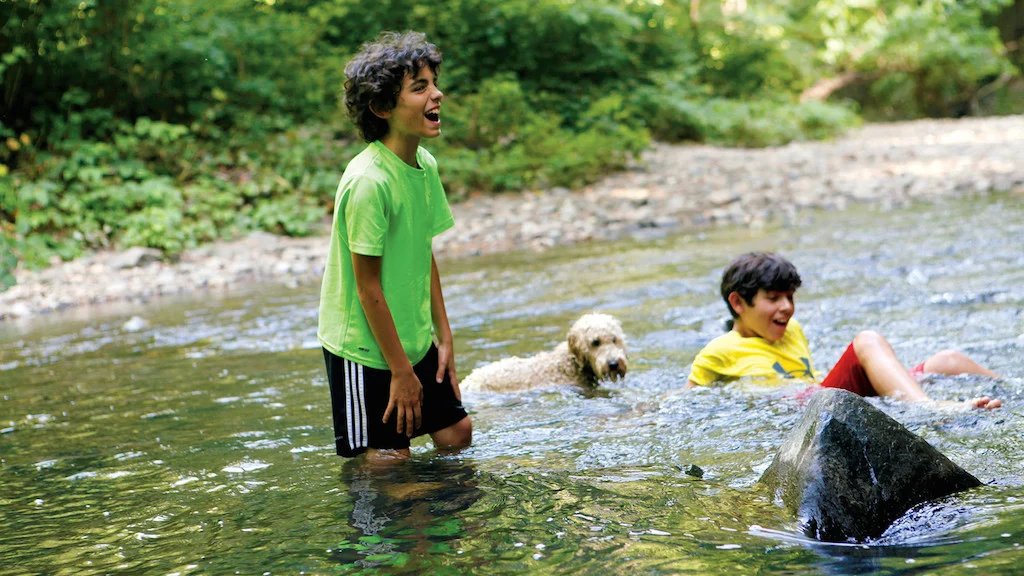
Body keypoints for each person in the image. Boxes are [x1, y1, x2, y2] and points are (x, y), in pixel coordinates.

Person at [317, 31, 472, 461]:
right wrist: (401, 373)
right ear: (383, 107)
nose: (437, 94)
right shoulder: (369, 181)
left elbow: (425, 255)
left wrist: (445, 337)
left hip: (413, 337)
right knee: (389, 464)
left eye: (434, 83)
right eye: (420, 88)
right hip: (362, 349)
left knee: (457, 434)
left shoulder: (425, 164)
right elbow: (367, 288)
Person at [687, 252, 1002, 409]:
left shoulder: (791, 329)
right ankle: (928, 409)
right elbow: (684, 400)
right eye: (773, 298)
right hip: (807, 410)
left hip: (825, 395)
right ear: (738, 303)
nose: (786, 307)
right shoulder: (718, 352)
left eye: (790, 297)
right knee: (867, 341)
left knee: (948, 360)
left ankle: (1010, 390)